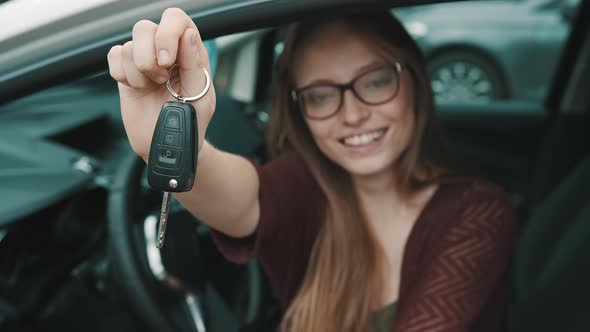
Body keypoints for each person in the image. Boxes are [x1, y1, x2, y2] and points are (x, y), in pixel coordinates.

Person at [107, 7, 519, 332]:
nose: (354, 114)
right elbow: (234, 197)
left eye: (376, 81)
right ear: (300, 111)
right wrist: (169, 140)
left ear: (415, 81)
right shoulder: (304, 185)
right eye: (321, 96)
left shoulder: (479, 211)